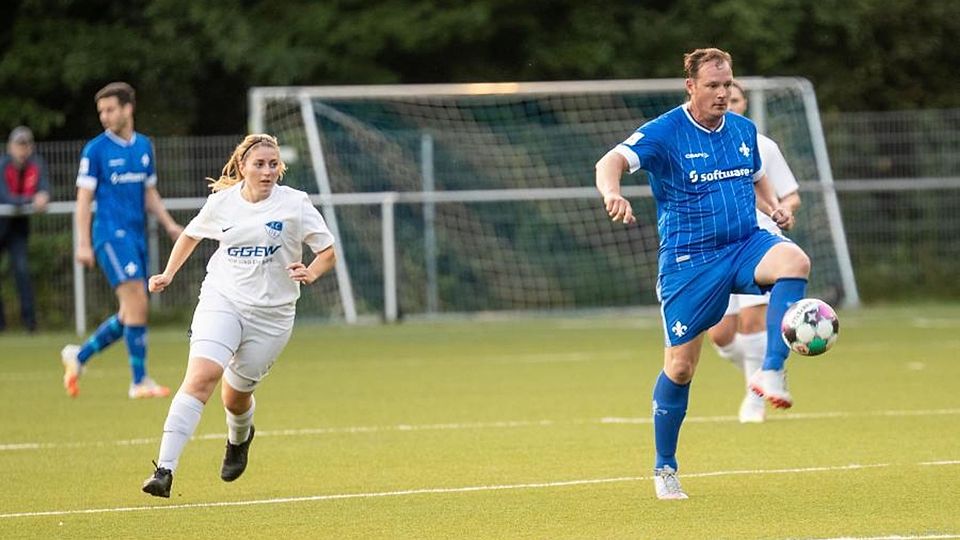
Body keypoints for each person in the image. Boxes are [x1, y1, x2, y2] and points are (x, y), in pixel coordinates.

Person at [594, 48, 811, 500]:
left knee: (795, 262)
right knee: (680, 366)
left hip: (745, 243)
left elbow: (754, 175)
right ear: (690, 86)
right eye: (712, 85)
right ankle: (665, 467)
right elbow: (608, 162)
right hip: (690, 261)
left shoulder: (743, 130)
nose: (721, 93)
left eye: (726, 84)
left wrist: (771, 206)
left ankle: (771, 370)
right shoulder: (665, 132)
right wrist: (613, 193)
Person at [140, 133, 337, 498]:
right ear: (242, 166)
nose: (267, 171)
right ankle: (164, 470)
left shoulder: (295, 204)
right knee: (201, 378)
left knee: (235, 397)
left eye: (273, 164)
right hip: (222, 299)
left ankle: (239, 437)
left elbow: (327, 252)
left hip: (272, 316)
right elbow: (190, 235)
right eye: (259, 164)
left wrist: (311, 271)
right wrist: (168, 273)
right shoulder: (223, 203)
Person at [60, 82, 183, 399]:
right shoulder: (96, 150)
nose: (104, 115)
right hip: (110, 236)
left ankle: (80, 356)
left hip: (136, 236)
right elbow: (84, 200)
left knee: (131, 311)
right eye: (101, 111)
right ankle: (139, 381)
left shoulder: (144, 146)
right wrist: (83, 243)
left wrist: (170, 226)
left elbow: (149, 193)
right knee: (138, 303)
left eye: (110, 109)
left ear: (128, 108)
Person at [707, 80, 802, 424]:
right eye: (723, 99)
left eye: (735, 99)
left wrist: (783, 209)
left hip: (758, 244)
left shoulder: (762, 146)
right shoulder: (701, 144)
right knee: (721, 334)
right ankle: (759, 369)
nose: (728, 105)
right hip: (716, 246)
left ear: (744, 104)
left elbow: (789, 194)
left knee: (752, 322)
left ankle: (756, 394)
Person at [0, 126, 50, 333]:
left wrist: (44, 195)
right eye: (18, 145)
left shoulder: (36, 165)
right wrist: (32, 199)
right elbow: (6, 198)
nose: (22, 149)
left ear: (31, 147)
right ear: (10, 147)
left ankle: (30, 324)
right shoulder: (2, 166)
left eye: (26, 145)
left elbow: (45, 191)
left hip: (18, 230)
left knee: (22, 271)